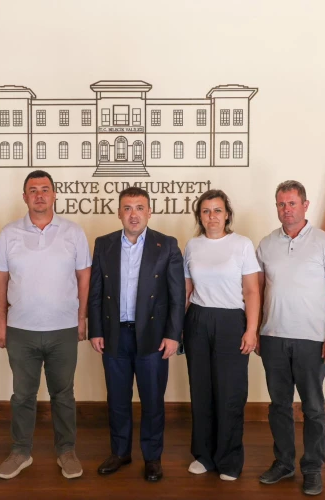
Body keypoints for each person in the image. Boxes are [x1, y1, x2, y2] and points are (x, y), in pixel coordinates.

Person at [0, 170, 91, 480]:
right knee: (23, 395)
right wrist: (0, 323)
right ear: (24, 197)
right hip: (21, 330)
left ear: (54, 195)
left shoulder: (73, 232)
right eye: (33, 190)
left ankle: (66, 451)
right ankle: (21, 451)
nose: (39, 195)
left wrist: (81, 319)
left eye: (45, 189)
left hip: (63, 329)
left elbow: (84, 277)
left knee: (63, 394)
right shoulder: (9, 233)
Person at [88, 187, 185, 482]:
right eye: (128, 208)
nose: (134, 214)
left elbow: (177, 295)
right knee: (117, 399)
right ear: (119, 212)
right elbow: (95, 292)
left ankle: (152, 458)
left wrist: (173, 335)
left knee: (153, 400)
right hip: (114, 334)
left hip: (153, 336)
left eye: (139, 207)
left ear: (149, 212)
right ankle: (120, 452)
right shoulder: (104, 244)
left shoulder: (167, 245)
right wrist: (95, 330)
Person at [256, 180, 325, 496]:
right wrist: (256, 331)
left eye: (292, 203)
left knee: (313, 407)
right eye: (281, 204)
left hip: (312, 339)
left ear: (305, 205)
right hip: (273, 337)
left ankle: (312, 468)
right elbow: (257, 291)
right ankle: (283, 463)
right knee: (279, 406)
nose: (287, 209)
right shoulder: (266, 244)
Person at [182, 189, 261, 481]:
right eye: (206, 211)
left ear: (227, 214)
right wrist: (177, 328)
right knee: (201, 390)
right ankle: (203, 455)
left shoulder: (242, 245)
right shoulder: (192, 246)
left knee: (230, 392)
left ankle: (229, 460)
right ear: (199, 216)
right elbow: (187, 290)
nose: (212, 216)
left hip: (231, 321)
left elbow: (252, 291)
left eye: (217, 210)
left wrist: (251, 330)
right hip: (198, 320)